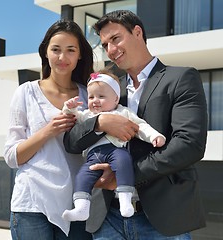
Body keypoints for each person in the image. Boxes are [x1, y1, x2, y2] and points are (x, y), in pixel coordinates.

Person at [63, 10, 208, 240]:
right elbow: (71, 141)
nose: (111, 49)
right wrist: (100, 122)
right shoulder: (107, 89)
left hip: (163, 219)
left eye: (115, 39)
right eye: (105, 44)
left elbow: (189, 145)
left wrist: (123, 177)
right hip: (108, 219)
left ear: (137, 32)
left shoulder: (181, 78)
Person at [3, 19, 94, 240]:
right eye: (56, 50)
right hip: (32, 204)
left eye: (70, 50)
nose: (62, 58)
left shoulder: (89, 95)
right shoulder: (26, 92)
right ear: (45, 52)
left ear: (80, 55)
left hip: (77, 204)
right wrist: (48, 130)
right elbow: (12, 157)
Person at [61, 70, 165, 221]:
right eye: (91, 97)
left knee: (124, 163)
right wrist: (70, 108)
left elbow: (140, 126)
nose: (95, 100)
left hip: (116, 151)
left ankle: (125, 200)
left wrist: (154, 136)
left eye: (101, 96)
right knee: (82, 176)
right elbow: (74, 120)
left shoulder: (123, 112)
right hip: (93, 157)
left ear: (116, 99)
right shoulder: (88, 115)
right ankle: (81, 208)